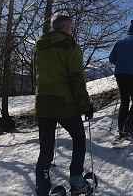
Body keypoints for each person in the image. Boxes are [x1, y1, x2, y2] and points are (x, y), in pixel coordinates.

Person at [34, 12, 94, 196]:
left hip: (43, 103)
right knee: (78, 138)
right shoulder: (70, 46)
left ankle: (42, 188)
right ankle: (76, 181)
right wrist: (85, 104)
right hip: (65, 103)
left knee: (46, 149)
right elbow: (76, 77)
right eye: (72, 27)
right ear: (67, 27)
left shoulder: (40, 47)